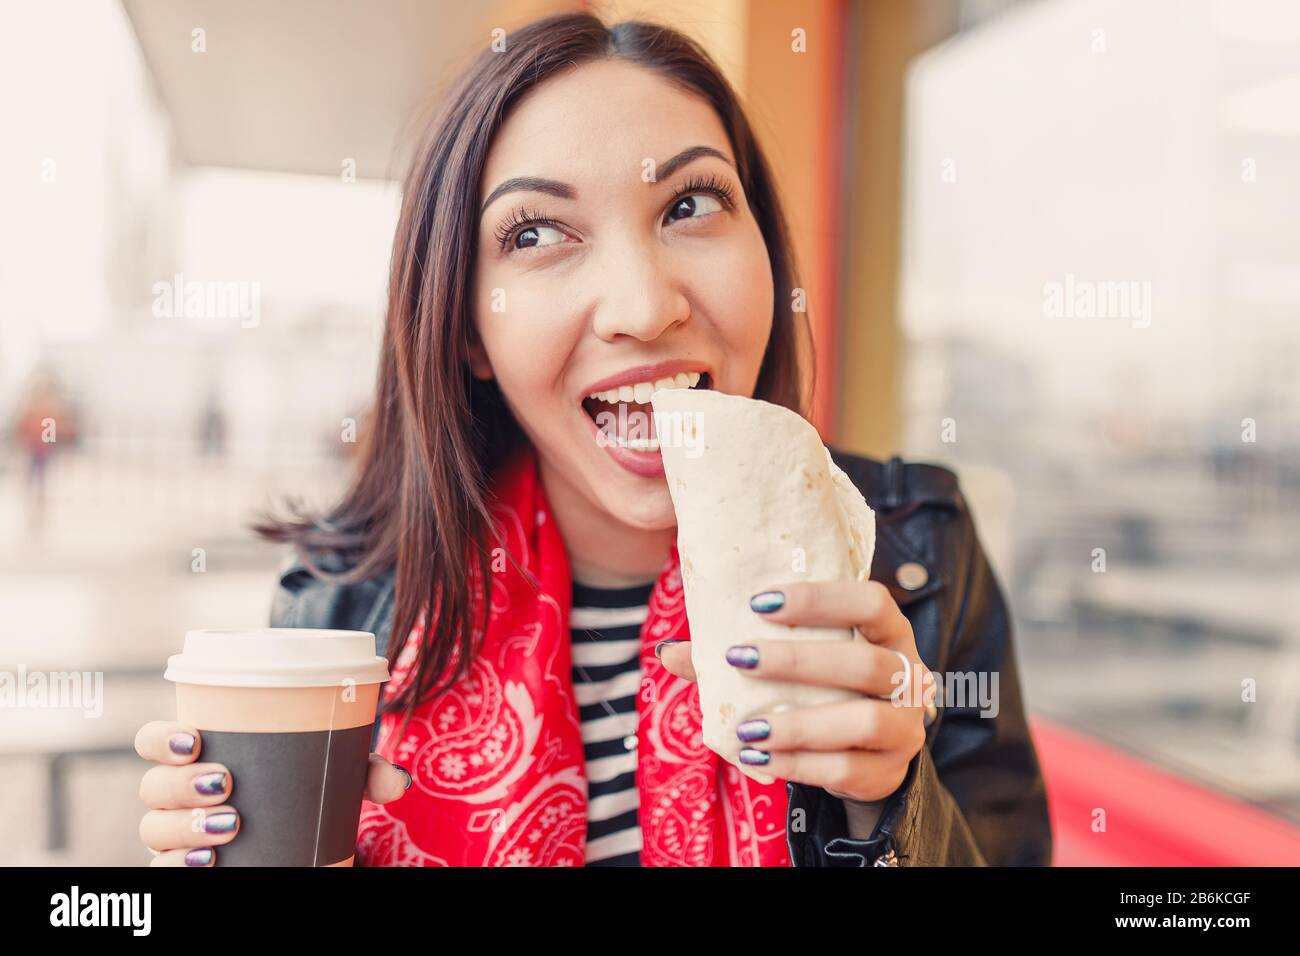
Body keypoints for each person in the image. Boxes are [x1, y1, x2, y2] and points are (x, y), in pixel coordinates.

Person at [134, 12, 1051, 867]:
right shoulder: (343, 610)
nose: (645, 306)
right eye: (537, 232)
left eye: (690, 206)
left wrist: (890, 810)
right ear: (465, 328)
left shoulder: (921, 554)